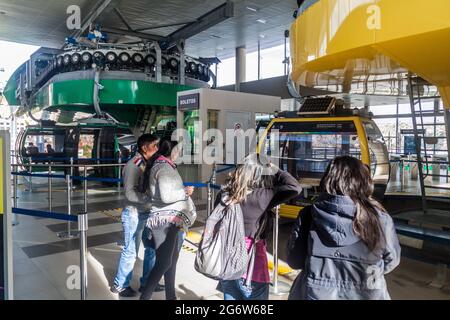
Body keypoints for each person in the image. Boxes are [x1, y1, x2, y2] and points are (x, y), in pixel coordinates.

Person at [287, 156, 401, 300]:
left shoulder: (308, 215)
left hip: (316, 293)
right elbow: (392, 261)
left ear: (328, 179)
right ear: (363, 181)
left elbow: (294, 261)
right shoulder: (380, 219)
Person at [216, 153, 302, 300]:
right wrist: (273, 167)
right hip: (252, 268)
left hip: (226, 263)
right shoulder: (262, 197)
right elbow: (294, 187)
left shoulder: (224, 194)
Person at [139, 139, 197, 300]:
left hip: (168, 221)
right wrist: (184, 192)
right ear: (172, 152)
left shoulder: (162, 165)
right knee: (164, 263)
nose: (179, 153)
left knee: (171, 260)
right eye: (178, 150)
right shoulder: (164, 167)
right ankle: (145, 297)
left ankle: (170, 296)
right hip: (165, 222)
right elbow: (165, 196)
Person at [111, 133, 160, 297]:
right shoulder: (134, 165)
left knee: (151, 248)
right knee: (131, 250)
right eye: (154, 145)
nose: (157, 148)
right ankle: (120, 284)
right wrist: (148, 198)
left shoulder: (147, 163)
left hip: (146, 212)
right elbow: (130, 193)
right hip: (133, 213)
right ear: (145, 147)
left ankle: (147, 282)